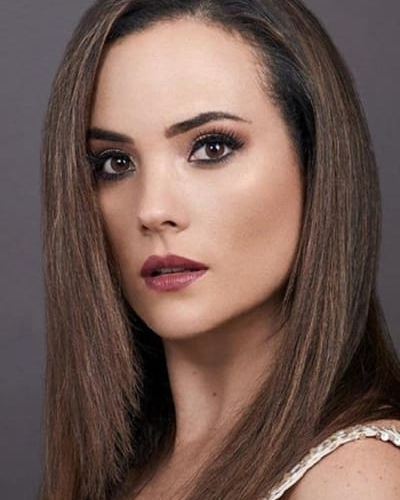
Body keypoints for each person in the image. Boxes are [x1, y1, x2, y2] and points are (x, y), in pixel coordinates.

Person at [39, 1, 400, 499]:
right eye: (115, 163)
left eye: (212, 147)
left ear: (316, 163)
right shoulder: (123, 470)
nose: (152, 209)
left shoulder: (354, 480)